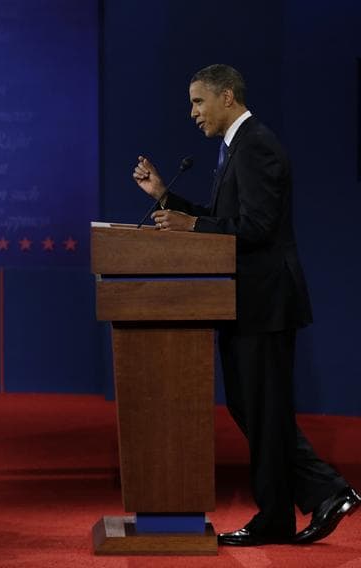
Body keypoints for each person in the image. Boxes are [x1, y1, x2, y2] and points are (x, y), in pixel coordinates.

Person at [132, 64, 359, 546]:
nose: (192, 113)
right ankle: (295, 506)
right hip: (245, 302)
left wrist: (192, 227)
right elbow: (225, 219)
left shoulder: (256, 145)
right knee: (254, 408)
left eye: (198, 102)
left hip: (266, 302)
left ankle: (322, 492)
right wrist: (168, 198)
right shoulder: (236, 146)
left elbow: (256, 227)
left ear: (227, 97)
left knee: (264, 410)